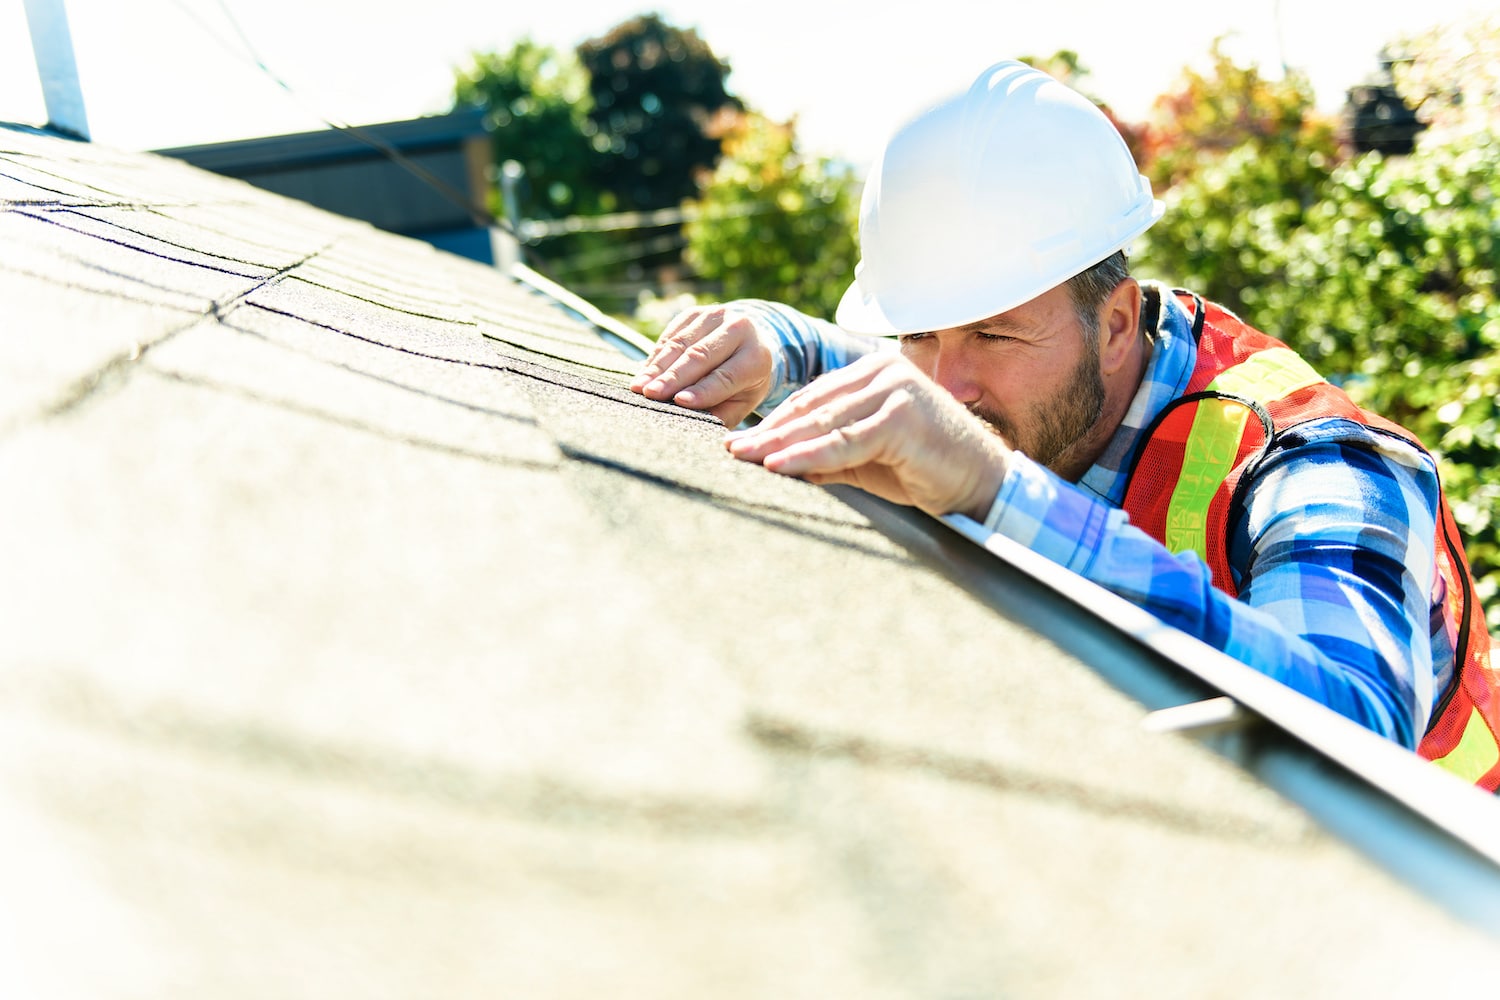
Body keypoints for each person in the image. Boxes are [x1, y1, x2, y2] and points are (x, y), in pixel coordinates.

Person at [629, 60, 1500, 791]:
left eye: (994, 333)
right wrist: (774, 341)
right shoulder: (1029, 376)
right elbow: (899, 381)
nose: (946, 384)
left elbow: (1359, 730)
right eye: (918, 333)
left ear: (1118, 322)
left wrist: (999, 489)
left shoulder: (1321, 462)